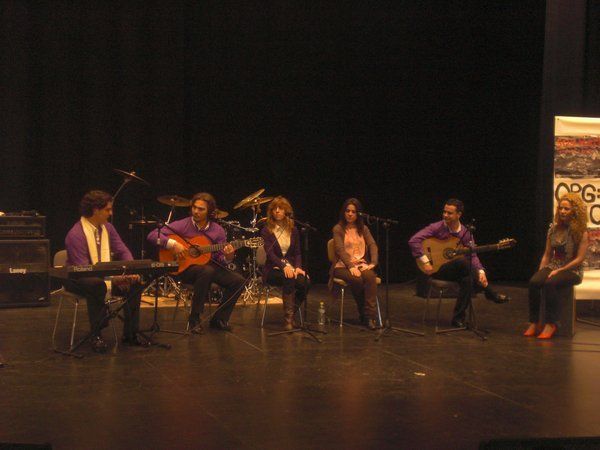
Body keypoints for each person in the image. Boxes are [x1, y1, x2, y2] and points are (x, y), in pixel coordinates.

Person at [147, 192, 245, 332]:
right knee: (207, 271)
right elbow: (152, 235)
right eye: (194, 207)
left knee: (238, 281)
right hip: (185, 268)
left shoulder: (218, 230)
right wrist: (172, 244)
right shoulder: (183, 224)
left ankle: (219, 319)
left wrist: (228, 256)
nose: (196, 211)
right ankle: (195, 318)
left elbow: (220, 260)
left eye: (201, 209)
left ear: (209, 211)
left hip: (209, 266)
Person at [408, 198, 510, 328]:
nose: (445, 215)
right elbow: (413, 240)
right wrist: (425, 261)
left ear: (459, 214)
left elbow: (472, 254)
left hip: (457, 270)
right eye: (444, 212)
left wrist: (481, 271)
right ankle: (490, 292)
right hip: (436, 269)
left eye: (449, 213)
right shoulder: (436, 227)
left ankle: (457, 318)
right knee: (462, 261)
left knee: (468, 279)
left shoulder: (465, 233)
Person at [64, 190, 143, 353]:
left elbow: (122, 250)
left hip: (102, 277)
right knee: (96, 285)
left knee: (135, 283)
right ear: (95, 210)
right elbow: (84, 270)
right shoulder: (75, 234)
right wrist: (114, 279)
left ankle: (130, 333)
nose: (111, 213)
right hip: (77, 279)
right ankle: (96, 335)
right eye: (107, 209)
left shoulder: (108, 228)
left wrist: (130, 271)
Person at [525, 192, 589, 339]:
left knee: (550, 283)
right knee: (534, 282)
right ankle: (535, 322)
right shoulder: (553, 229)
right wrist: (541, 270)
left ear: (574, 211)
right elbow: (547, 254)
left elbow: (579, 259)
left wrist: (560, 270)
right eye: (560, 208)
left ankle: (551, 323)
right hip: (554, 265)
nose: (562, 211)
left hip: (573, 270)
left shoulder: (581, 232)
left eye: (566, 209)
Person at [260, 196, 309, 330]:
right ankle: (288, 320)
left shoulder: (293, 230)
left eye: (280, 208)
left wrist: (298, 267)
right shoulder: (266, 230)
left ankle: (291, 315)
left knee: (305, 282)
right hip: (272, 269)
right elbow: (270, 254)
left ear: (286, 211)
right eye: (274, 209)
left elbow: (297, 253)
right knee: (289, 277)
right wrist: (283, 266)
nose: (277, 211)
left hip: (291, 268)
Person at [330, 198, 379, 330]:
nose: (350, 214)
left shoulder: (364, 229)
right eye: (348, 211)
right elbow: (340, 250)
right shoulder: (338, 228)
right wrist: (351, 266)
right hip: (341, 266)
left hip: (360, 264)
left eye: (353, 212)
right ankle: (364, 314)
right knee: (357, 279)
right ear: (343, 212)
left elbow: (372, 245)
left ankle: (370, 317)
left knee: (370, 277)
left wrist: (373, 262)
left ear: (358, 214)